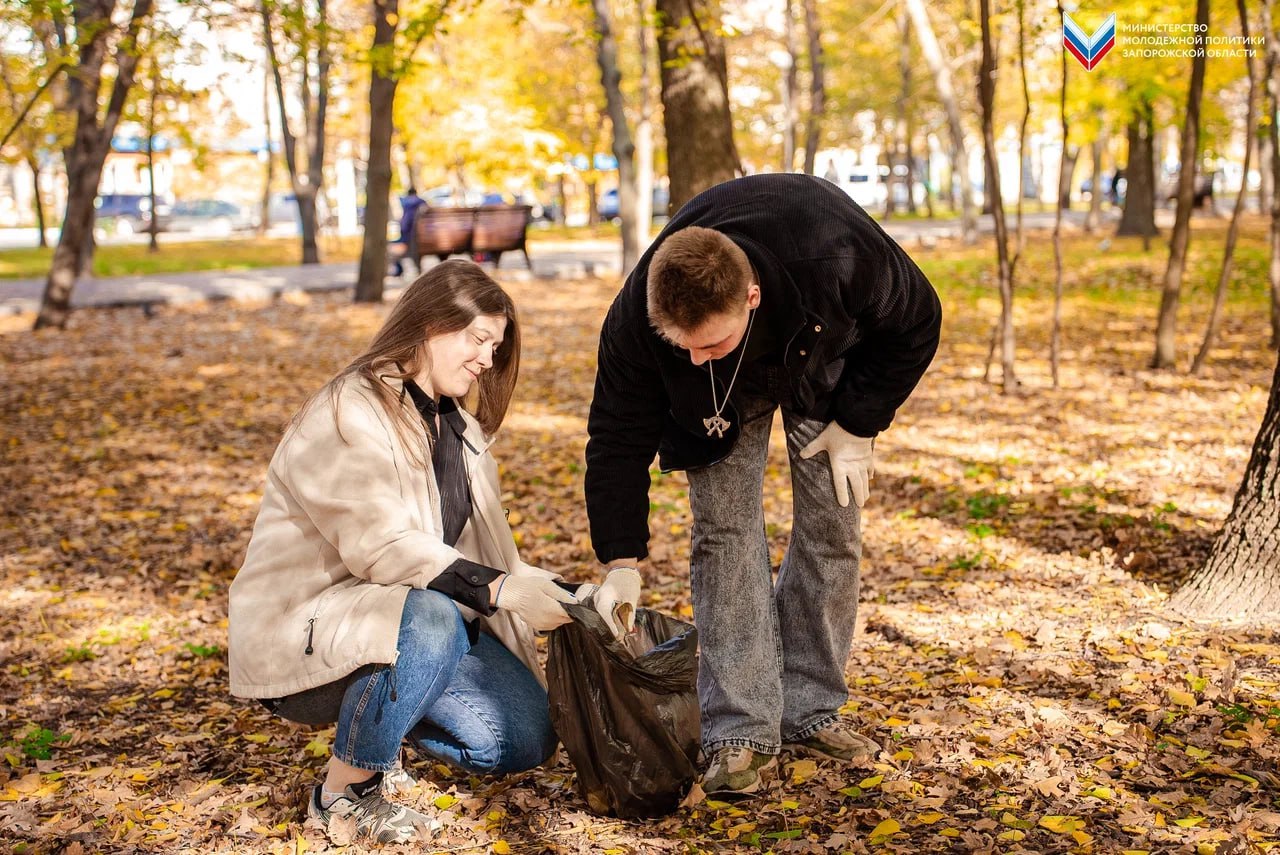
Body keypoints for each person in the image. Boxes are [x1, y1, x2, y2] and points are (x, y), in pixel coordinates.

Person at [583, 173, 942, 799]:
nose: (697, 356)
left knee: (833, 524)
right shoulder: (639, 319)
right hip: (717, 404)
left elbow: (917, 322)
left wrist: (859, 423)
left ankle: (809, 708)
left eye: (711, 343)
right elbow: (617, 436)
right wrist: (620, 560)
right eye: (683, 346)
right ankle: (741, 729)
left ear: (750, 297)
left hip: (822, 351)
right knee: (724, 533)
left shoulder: (837, 257)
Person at [229, 260, 577, 845]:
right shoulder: (348, 411)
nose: (487, 359)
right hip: (307, 628)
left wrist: (570, 595)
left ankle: (383, 722)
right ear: (432, 324)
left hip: (400, 624)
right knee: (432, 616)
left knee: (522, 737)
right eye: (478, 339)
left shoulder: (458, 429)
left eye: (495, 346)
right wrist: (503, 591)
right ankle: (342, 795)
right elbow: (382, 546)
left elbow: (481, 554)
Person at [390, 186, 426, 277]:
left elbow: (404, 226)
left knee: (391, 247)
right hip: (425, 239)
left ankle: (399, 270)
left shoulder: (406, 204)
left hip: (409, 237)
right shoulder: (423, 203)